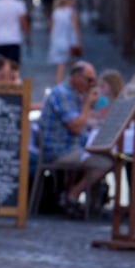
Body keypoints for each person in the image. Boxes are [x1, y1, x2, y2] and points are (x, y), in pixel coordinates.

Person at [36, 61, 110, 211]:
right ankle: (72, 195)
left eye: (93, 81)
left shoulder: (73, 94)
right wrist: (87, 104)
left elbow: (83, 120)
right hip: (60, 150)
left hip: (71, 147)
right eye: (89, 80)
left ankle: (87, 202)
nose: (92, 84)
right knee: (106, 162)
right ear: (76, 77)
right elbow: (76, 127)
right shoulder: (63, 94)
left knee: (101, 155)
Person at [47, 0, 82, 84]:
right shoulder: (71, 12)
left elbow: (51, 28)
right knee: (74, 65)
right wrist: (79, 41)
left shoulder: (55, 12)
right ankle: (76, 84)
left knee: (60, 66)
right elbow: (75, 27)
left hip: (57, 41)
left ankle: (58, 86)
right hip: (70, 41)